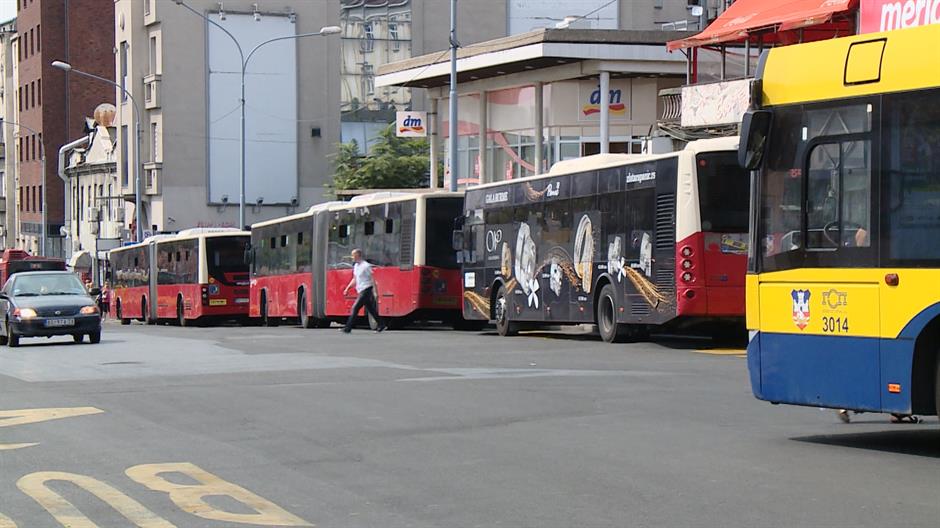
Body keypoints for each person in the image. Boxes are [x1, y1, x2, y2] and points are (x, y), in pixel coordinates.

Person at [342, 248, 385, 334]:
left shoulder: (366, 266)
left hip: (366, 289)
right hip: (360, 289)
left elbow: (373, 279)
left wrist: (375, 292)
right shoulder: (356, 266)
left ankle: (348, 328)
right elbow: (355, 279)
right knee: (371, 309)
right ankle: (381, 324)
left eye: (353, 255)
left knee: (355, 308)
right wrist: (347, 288)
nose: (352, 257)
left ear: (358, 255)